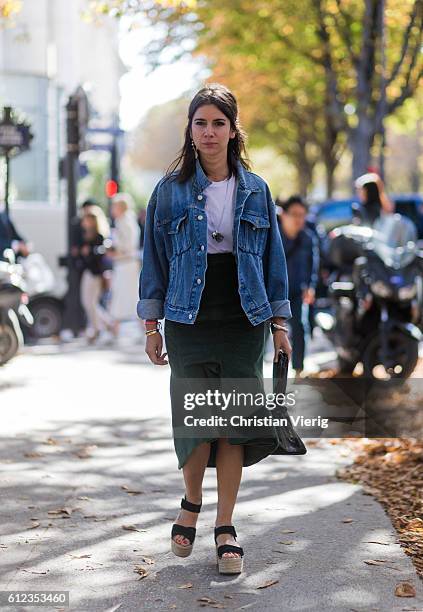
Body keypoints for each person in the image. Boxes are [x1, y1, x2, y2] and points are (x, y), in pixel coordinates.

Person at [138, 83, 293, 575]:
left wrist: (280, 323)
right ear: (190, 129)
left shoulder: (256, 190)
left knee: (233, 428)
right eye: (200, 123)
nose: (208, 132)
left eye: (218, 123)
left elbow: (274, 261)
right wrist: (151, 325)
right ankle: (191, 501)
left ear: (232, 130)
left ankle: (226, 527)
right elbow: (153, 261)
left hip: (244, 316)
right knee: (196, 421)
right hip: (188, 316)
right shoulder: (168, 191)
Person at [278, 195, 319, 378]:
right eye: (294, 214)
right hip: (275, 292)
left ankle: (298, 369)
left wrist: (311, 286)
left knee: (300, 327)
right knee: (268, 331)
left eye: (302, 215)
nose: (298, 219)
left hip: (296, 290)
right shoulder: (274, 236)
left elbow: (313, 265)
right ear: (283, 215)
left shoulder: (308, 238)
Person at [79, 208, 116, 343]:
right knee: (88, 302)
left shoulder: (99, 236)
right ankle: (107, 324)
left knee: (91, 302)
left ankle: (98, 329)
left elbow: (101, 255)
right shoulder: (86, 235)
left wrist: (89, 252)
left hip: (96, 273)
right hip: (88, 271)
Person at [108, 193, 141, 335]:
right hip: (124, 264)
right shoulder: (125, 221)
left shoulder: (125, 222)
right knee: (125, 297)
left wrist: (114, 249)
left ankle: (115, 330)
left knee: (127, 296)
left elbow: (127, 245)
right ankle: (114, 329)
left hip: (126, 264)